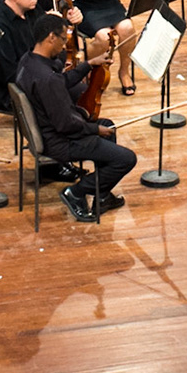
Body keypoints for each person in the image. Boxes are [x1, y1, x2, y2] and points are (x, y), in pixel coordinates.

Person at [17, 15, 134, 221]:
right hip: (59, 141)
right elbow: (66, 125)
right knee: (126, 159)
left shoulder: (29, 61)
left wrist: (89, 64)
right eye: (63, 40)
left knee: (108, 125)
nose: (64, 47)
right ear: (51, 38)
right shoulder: (48, 79)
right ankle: (77, 192)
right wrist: (95, 130)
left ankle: (102, 195)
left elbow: (61, 82)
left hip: (48, 130)